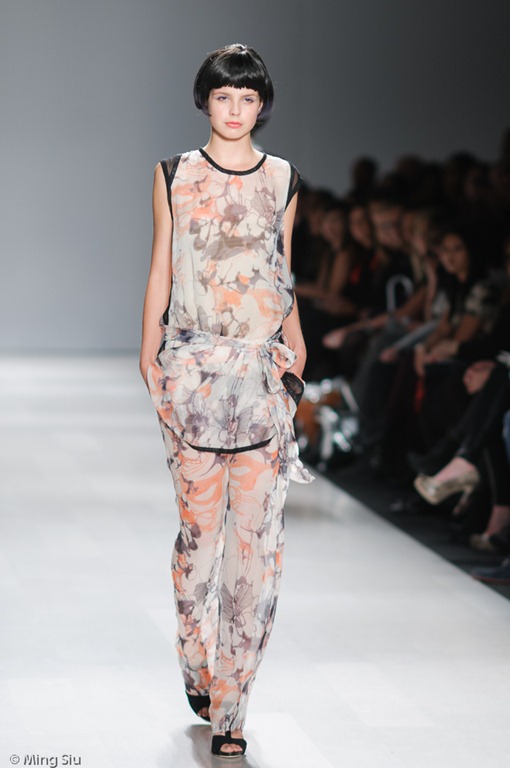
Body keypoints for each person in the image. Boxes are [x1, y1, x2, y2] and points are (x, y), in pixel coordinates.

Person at [139, 43, 314, 759]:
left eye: (247, 98)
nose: (235, 109)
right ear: (204, 101)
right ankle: (196, 660)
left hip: (262, 373)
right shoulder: (173, 173)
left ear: (261, 105)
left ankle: (232, 708)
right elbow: (162, 264)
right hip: (192, 372)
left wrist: (298, 351)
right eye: (223, 96)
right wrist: (148, 353)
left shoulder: (284, 178)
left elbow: (283, 271)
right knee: (199, 542)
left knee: (256, 550)